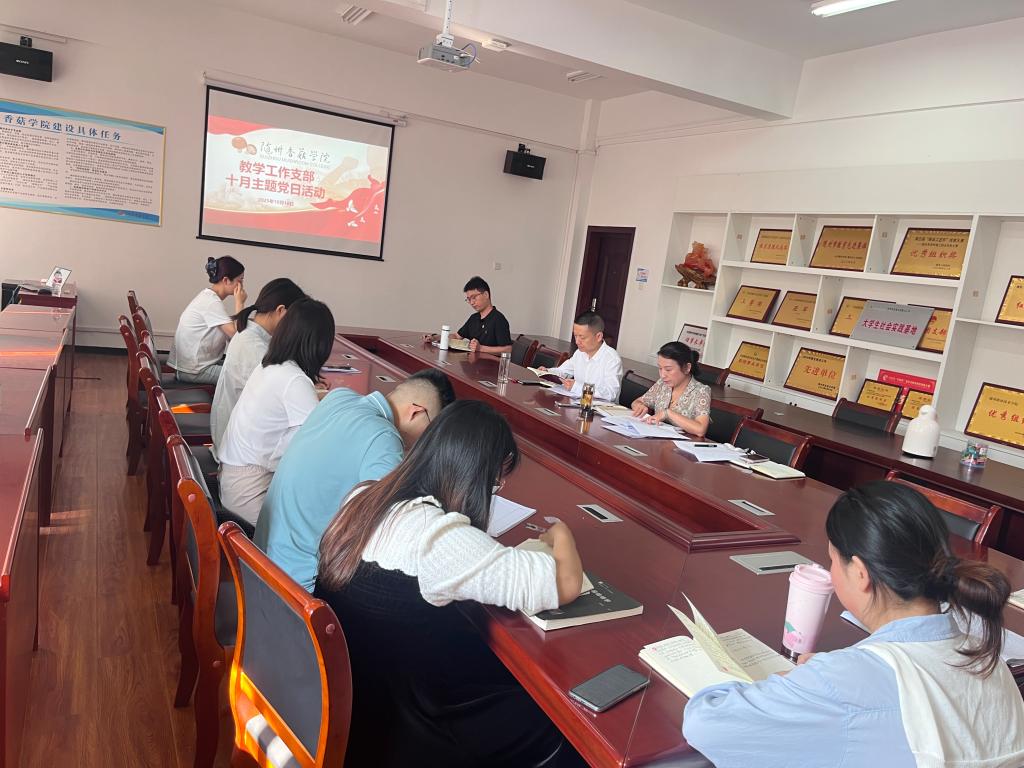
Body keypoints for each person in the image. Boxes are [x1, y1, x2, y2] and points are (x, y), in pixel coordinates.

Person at [314, 400, 585, 768]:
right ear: (473, 475)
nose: (494, 490)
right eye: (494, 481)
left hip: (364, 706)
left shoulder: (363, 497)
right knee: (568, 724)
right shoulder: (440, 539)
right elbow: (565, 583)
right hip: (424, 726)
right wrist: (561, 531)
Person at [683, 481, 1024, 768]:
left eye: (832, 560)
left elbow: (705, 723)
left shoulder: (842, 682)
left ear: (860, 574)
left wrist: (801, 681)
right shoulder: (989, 657)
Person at [255, 368, 456, 591]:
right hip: (296, 583)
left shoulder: (338, 397)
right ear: (416, 413)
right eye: (430, 433)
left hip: (260, 559)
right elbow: (396, 522)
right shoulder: (384, 438)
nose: (424, 443)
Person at [217, 298, 335, 527]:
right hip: (251, 494)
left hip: (235, 481)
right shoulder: (294, 380)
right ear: (320, 345)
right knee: (325, 524)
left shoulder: (270, 366)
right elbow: (318, 445)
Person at [210, 278, 306, 450]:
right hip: (236, 448)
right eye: (294, 320)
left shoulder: (252, 333)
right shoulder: (253, 345)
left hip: (236, 438)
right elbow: (283, 394)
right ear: (281, 311)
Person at [169, 256, 246, 384]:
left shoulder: (209, 297)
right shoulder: (211, 302)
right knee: (246, 377)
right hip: (193, 371)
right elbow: (236, 334)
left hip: (193, 367)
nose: (242, 285)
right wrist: (240, 303)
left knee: (244, 369)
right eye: (240, 280)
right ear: (226, 280)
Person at [630, 341, 710, 437]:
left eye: (668, 369)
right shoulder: (662, 384)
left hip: (683, 445)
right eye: (660, 368)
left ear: (687, 368)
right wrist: (639, 406)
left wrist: (667, 413)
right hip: (657, 439)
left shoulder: (701, 391)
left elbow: (700, 429)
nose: (662, 375)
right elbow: (637, 402)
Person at [538, 311, 623, 403]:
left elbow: (611, 394)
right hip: (577, 404)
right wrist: (548, 372)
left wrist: (577, 387)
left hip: (598, 409)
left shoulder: (612, 359)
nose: (577, 342)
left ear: (598, 337)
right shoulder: (579, 353)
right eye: (575, 336)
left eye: (582, 338)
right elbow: (563, 371)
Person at [423, 276, 513, 354]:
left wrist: (480, 348)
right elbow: (457, 336)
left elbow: (508, 349)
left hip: (490, 366)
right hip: (473, 363)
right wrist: (435, 338)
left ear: (486, 294)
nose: (472, 302)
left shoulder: (498, 319)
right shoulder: (474, 318)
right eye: (469, 299)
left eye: (474, 297)